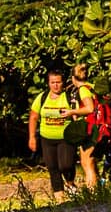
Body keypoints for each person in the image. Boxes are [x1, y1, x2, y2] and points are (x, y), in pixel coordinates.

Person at [29, 68, 85, 202]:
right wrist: (31, 137)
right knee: (52, 167)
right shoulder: (42, 97)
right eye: (52, 82)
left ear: (63, 83)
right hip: (46, 138)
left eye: (58, 82)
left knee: (65, 165)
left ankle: (70, 183)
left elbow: (78, 114)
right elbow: (33, 117)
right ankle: (60, 199)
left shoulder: (68, 97)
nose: (55, 85)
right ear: (48, 83)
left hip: (65, 137)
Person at [69, 63, 99, 189]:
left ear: (73, 78)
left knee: (87, 163)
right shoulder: (91, 86)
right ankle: (96, 190)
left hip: (89, 127)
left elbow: (90, 108)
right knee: (88, 160)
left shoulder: (83, 89)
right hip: (96, 127)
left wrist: (72, 112)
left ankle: (93, 192)